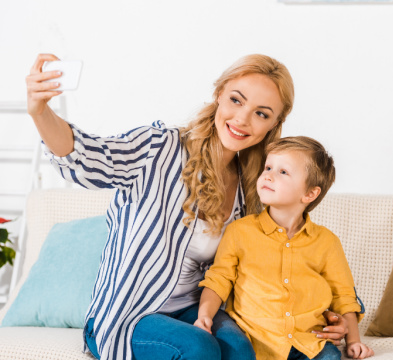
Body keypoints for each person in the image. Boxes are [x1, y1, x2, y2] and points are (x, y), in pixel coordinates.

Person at [25, 54, 349, 360]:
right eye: (237, 100)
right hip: (130, 313)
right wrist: (40, 111)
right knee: (198, 348)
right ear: (220, 94)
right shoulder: (161, 148)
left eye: (261, 113)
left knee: (240, 350)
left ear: (273, 124)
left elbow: (292, 253)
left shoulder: (256, 186)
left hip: (196, 310)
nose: (242, 119)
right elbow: (93, 159)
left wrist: (334, 313)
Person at [194, 136, 374, 360]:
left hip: (309, 341)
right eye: (268, 167)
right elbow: (219, 279)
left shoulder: (327, 242)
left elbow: (344, 295)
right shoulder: (239, 232)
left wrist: (354, 341)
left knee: (330, 358)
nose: (268, 175)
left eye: (283, 172)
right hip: (254, 339)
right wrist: (204, 315)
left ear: (309, 194)